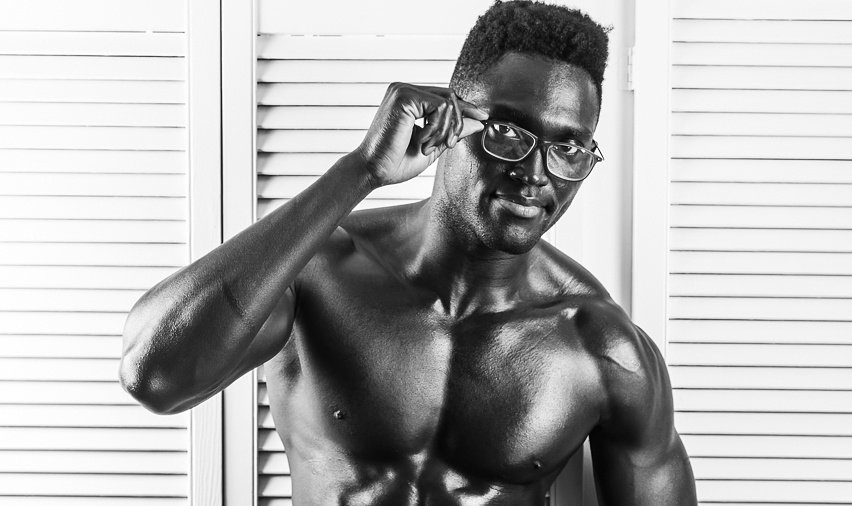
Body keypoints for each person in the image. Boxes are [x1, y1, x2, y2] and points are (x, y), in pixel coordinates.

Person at [120, 1, 696, 504]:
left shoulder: (599, 346)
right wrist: (362, 170)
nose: (535, 174)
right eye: (507, 133)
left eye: (568, 147)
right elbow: (154, 374)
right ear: (450, 118)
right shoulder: (317, 271)